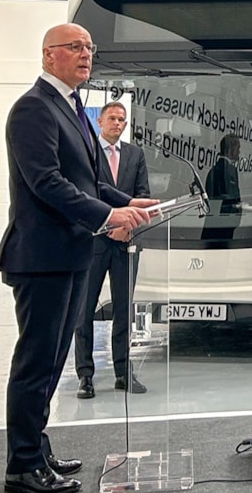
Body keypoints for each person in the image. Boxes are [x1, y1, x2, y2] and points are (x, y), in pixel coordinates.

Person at [0, 24, 154, 493]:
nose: (86, 54)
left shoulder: (72, 108)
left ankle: (36, 447)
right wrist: (110, 215)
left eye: (89, 47)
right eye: (75, 47)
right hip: (41, 256)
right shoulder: (33, 109)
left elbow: (86, 181)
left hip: (69, 254)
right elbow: (47, 182)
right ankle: (22, 466)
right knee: (36, 361)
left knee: (52, 359)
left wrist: (131, 202)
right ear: (49, 56)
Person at [74, 102, 151, 399]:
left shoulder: (135, 154)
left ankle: (123, 372)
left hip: (126, 242)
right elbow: (85, 194)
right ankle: (85, 375)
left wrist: (127, 226)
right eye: (113, 119)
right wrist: (110, 224)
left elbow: (142, 195)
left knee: (123, 309)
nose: (118, 124)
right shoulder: (87, 152)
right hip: (94, 241)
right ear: (101, 121)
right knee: (85, 309)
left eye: (122, 120)